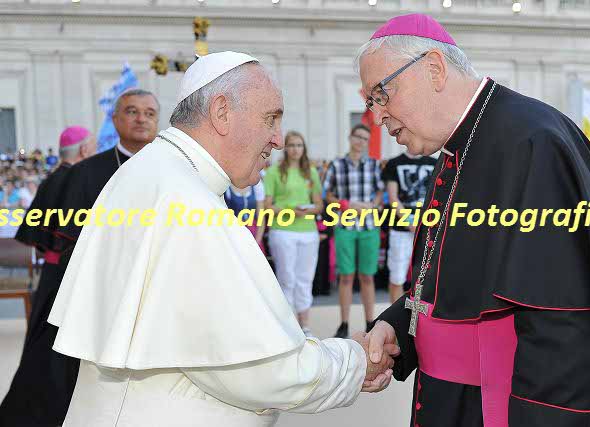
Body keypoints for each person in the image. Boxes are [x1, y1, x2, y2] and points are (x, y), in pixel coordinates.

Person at [47, 51, 396, 427]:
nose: (278, 139)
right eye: (271, 118)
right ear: (222, 112)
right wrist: (354, 361)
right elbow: (260, 370)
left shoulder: (153, 172)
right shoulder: (188, 203)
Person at [359, 13, 590, 427]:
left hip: (503, 408)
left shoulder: (534, 141)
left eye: (381, 94)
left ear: (434, 68)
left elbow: (562, 322)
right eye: (371, 101)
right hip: (449, 401)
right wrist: (399, 327)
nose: (377, 115)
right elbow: (450, 279)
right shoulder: (457, 147)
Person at [0, 126, 97, 427]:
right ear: (84, 150)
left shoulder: (51, 179)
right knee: (55, 352)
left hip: (51, 274)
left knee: (43, 345)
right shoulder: (77, 178)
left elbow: (38, 235)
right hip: (67, 276)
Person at [56, 88, 159, 263]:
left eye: (149, 114)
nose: (141, 119)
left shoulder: (177, 168)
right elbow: (71, 237)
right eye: (132, 112)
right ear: (115, 119)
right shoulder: (83, 172)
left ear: (157, 121)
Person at [323, 124, 384, 338]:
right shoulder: (336, 165)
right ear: (350, 137)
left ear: (367, 142)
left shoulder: (374, 165)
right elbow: (327, 194)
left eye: (365, 139)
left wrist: (373, 205)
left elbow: (380, 192)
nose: (360, 141)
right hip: (345, 226)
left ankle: (370, 322)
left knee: (367, 276)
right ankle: (344, 323)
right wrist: (346, 204)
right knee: (346, 277)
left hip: (369, 226)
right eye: (358, 137)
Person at [264, 131, 323, 336]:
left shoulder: (311, 172)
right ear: (285, 148)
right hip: (283, 231)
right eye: (291, 145)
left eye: (299, 145)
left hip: (308, 232)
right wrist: (290, 211)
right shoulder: (274, 172)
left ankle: (305, 325)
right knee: (286, 278)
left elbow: (319, 204)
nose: (295, 149)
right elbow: (268, 206)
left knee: (305, 279)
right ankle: (288, 326)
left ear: (303, 148)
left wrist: (308, 210)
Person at [382, 150, 437, 302]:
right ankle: (395, 315)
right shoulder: (394, 163)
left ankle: (421, 315)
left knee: (428, 279)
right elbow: (393, 198)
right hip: (401, 229)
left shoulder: (435, 162)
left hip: (429, 229)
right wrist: (410, 223)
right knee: (397, 277)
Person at [224, 181, 266, 248]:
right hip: (234, 232)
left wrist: (257, 242)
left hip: (254, 232)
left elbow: (261, 218)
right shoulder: (226, 186)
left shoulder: (256, 185)